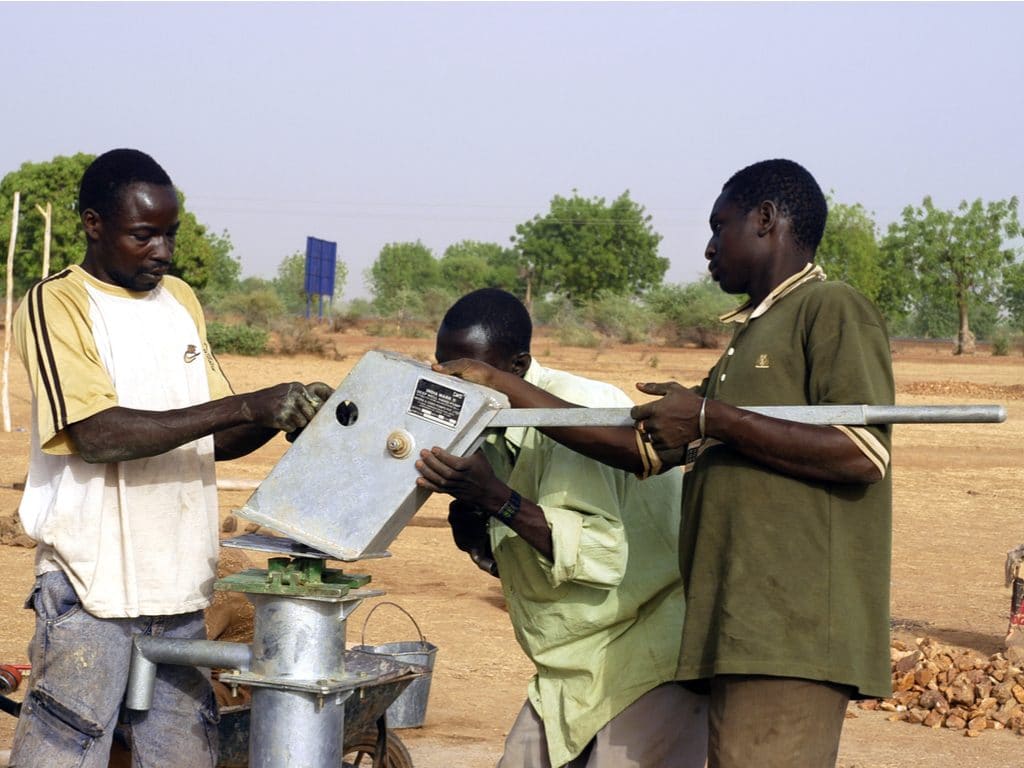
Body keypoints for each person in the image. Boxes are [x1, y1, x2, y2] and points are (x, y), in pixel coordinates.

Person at [432, 160, 894, 768]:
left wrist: (712, 418)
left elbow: (863, 452)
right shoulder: (748, 339)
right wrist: (504, 391)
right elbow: (640, 450)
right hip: (732, 631)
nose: (707, 248)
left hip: (793, 630)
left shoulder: (830, 307)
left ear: (765, 220)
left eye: (718, 226)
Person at [9, 148, 333, 768]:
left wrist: (281, 415)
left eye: (170, 234)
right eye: (144, 235)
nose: (163, 250)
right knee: (64, 754)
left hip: (182, 590)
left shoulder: (180, 300)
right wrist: (244, 407)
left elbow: (216, 433)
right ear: (93, 224)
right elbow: (96, 435)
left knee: (183, 757)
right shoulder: (57, 303)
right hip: (90, 589)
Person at [414, 288, 708, 768]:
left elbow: (597, 555)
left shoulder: (575, 411)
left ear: (517, 366)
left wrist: (495, 497)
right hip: (568, 669)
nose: (458, 386)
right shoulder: (488, 422)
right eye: (448, 371)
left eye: (473, 374)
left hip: (645, 656)